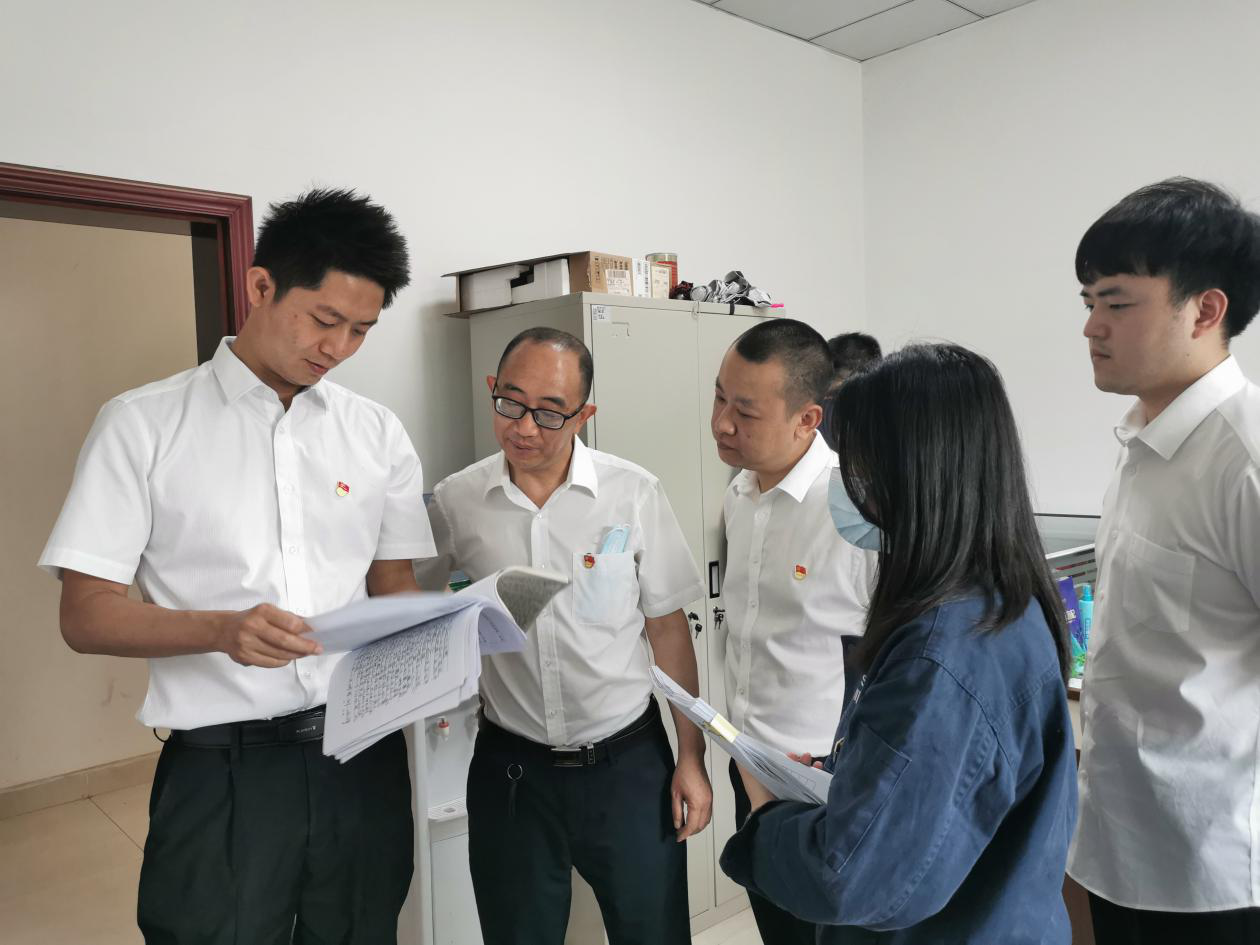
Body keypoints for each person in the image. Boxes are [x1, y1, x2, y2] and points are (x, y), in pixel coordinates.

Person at [38, 188, 434, 944]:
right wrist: (221, 629)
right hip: (224, 770)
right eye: (323, 319)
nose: (338, 348)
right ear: (260, 285)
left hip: (362, 759)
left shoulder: (376, 433)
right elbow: (84, 615)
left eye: (361, 330)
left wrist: (447, 643)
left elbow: (393, 588)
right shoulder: (144, 424)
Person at [720, 343, 1077, 944]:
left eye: (857, 464)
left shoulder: (941, 656)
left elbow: (850, 878)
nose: (846, 483)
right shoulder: (999, 600)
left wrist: (769, 814)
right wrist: (851, 774)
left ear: (914, 473)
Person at [414, 327, 712, 945]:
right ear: (492, 389)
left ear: (584, 415)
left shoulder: (632, 493)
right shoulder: (457, 501)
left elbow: (667, 630)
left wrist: (691, 756)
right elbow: (408, 605)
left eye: (550, 412)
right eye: (510, 403)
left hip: (627, 764)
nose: (525, 427)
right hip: (511, 768)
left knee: (653, 931)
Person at [1068, 178, 1260, 943]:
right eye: (1088, 302)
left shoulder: (1243, 457)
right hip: (1122, 846)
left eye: (1117, 303)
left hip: (1217, 870)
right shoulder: (1140, 442)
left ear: (1205, 310)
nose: (1091, 326)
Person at [711, 317, 876, 945]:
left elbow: (900, 655)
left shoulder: (857, 508)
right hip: (750, 766)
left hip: (827, 784)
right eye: (719, 398)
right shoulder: (739, 494)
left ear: (808, 419)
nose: (722, 424)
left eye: (745, 412)